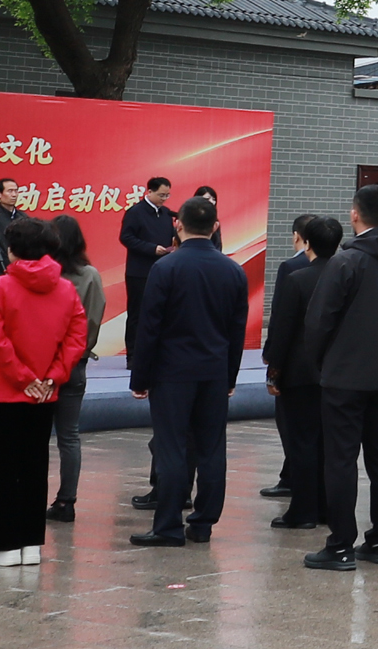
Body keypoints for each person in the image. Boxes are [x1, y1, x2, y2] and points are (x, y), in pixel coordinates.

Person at [294, 185, 378, 571]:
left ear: (354, 214)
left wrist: (321, 363)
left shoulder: (346, 261)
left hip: (345, 376)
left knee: (341, 460)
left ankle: (340, 544)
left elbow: (319, 321)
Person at [127, 194, 246, 547]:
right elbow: (236, 332)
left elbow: (149, 327)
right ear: (216, 226)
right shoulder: (233, 270)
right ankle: (203, 524)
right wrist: (230, 377)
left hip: (172, 373)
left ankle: (167, 526)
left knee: (172, 448)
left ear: (177, 225)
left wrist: (140, 377)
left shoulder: (166, 268)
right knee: (211, 449)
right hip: (214, 372)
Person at [0, 216, 86, 567]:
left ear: (12, 250)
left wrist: (23, 377)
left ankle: (3, 546)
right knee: (35, 465)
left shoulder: (1, 285)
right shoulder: (66, 288)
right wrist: (52, 377)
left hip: (4, 390)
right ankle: (30, 544)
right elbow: (76, 337)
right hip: (44, 392)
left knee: (2, 468)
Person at [262, 214, 339, 531]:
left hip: (300, 373)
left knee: (302, 443)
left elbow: (282, 329)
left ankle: (303, 509)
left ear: (306, 242)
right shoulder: (347, 276)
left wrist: (273, 371)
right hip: (336, 372)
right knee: (328, 443)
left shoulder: (297, 279)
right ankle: (326, 507)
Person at [36, 213, 106, 523]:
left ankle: (31, 496)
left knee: (37, 436)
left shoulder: (40, 274)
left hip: (39, 366)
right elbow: (93, 320)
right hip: (75, 364)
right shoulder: (90, 275)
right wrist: (79, 351)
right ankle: (67, 501)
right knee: (69, 436)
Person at [120, 176, 176, 355]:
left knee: (162, 312)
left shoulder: (166, 213)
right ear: (149, 192)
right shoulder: (135, 212)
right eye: (161, 195)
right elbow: (126, 237)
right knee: (137, 314)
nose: (164, 199)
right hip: (139, 272)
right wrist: (152, 249)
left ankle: (157, 353)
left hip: (163, 270)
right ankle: (133, 354)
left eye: (167, 195)